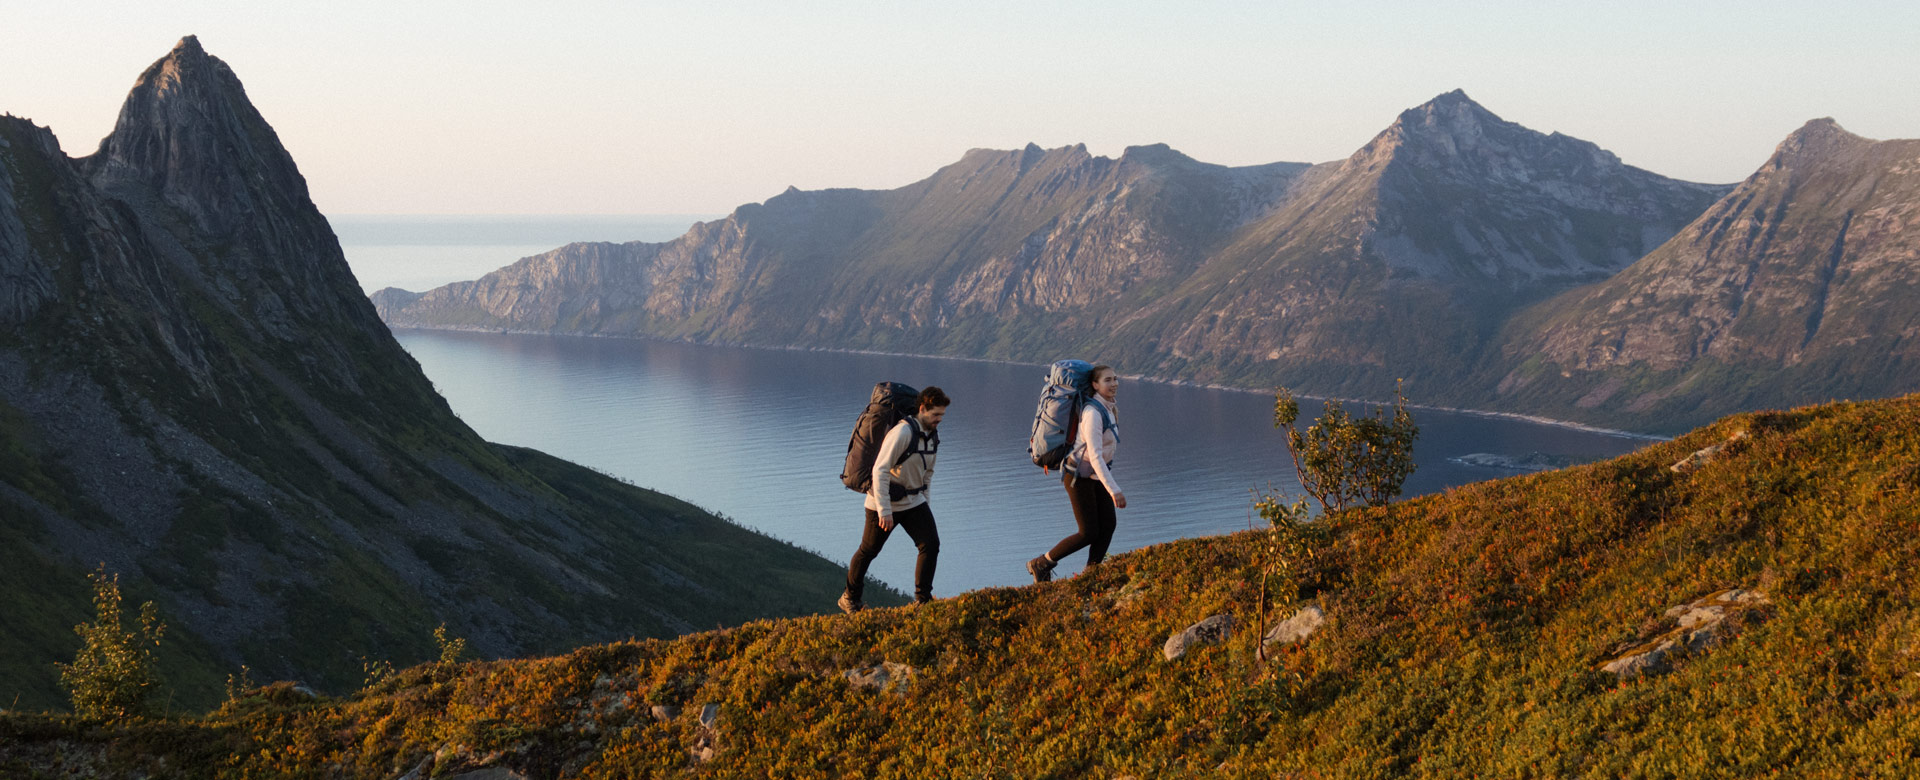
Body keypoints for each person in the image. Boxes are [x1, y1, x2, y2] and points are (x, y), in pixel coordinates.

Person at [841, 386, 949, 612]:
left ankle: (923, 600)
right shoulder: (902, 433)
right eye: (935, 414)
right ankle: (850, 598)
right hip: (883, 502)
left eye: (942, 415)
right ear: (922, 409)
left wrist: (925, 505)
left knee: (930, 544)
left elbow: (927, 473)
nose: (939, 419)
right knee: (868, 550)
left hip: (913, 501)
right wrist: (884, 510)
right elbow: (879, 470)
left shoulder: (931, 437)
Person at [1029, 365, 1124, 582]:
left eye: (1115, 379)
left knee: (1108, 525)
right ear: (1095, 385)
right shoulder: (1092, 413)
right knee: (1088, 532)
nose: (1114, 383)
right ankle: (1042, 563)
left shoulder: (1108, 407)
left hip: (1093, 474)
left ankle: (1092, 574)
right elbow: (1095, 456)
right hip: (1078, 477)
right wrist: (1115, 490)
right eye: (1107, 380)